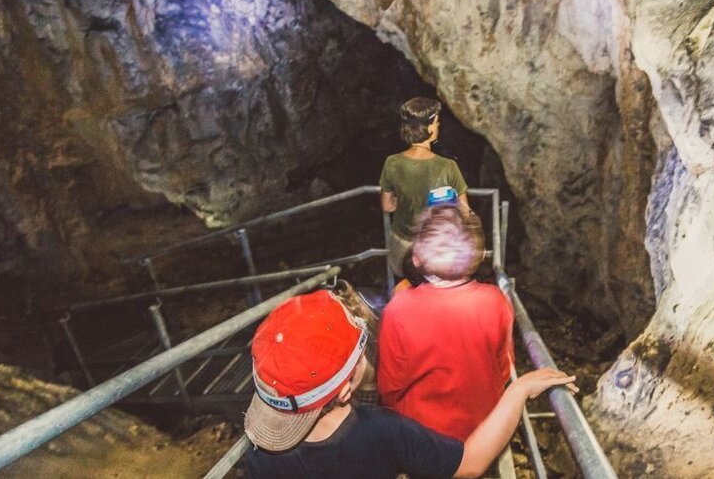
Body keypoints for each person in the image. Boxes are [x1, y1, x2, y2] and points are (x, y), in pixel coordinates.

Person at [242, 288, 576, 479]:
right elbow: (469, 463)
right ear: (344, 390)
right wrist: (518, 391)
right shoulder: (385, 432)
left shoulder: (260, 456)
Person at [378, 206, 514, 442]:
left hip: (423, 436)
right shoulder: (496, 301)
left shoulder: (398, 309)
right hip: (484, 430)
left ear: (417, 258)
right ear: (478, 255)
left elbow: (389, 386)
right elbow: (504, 368)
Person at [379, 97, 469, 277]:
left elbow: (387, 206)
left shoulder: (392, 163)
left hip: (402, 247)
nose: (439, 124)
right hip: (435, 249)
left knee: (407, 283)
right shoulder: (447, 166)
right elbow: (465, 211)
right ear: (429, 128)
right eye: (436, 121)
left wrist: (405, 198)